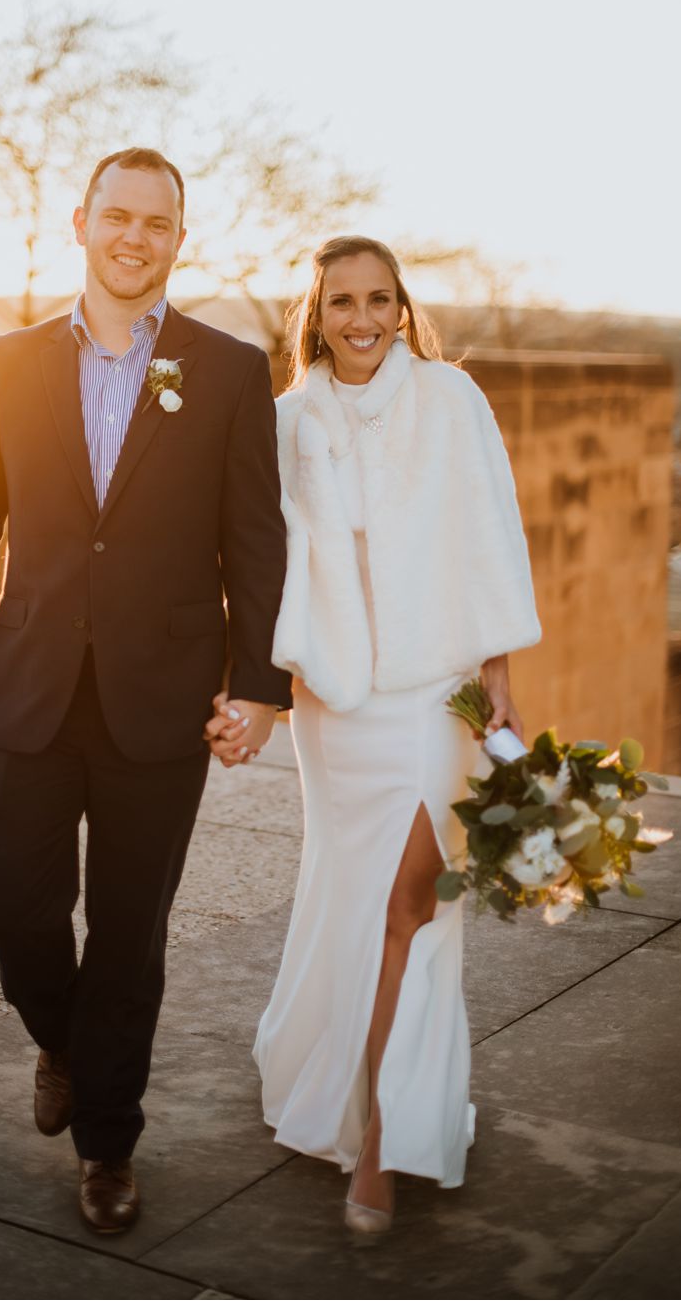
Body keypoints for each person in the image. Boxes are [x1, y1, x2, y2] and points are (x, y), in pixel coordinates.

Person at [0, 147, 290, 1235]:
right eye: (117, 216)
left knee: (129, 932)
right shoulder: (7, 360)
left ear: (179, 239)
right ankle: (65, 1042)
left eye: (156, 223)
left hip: (162, 697)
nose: (135, 238)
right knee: (2, 890)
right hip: (29, 681)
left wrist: (258, 687)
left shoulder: (229, 370)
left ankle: (108, 1145)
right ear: (80, 223)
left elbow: (255, 542)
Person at [218, 235, 539, 1232]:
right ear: (313, 316)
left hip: (434, 689)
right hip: (334, 704)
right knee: (350, 895)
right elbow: (253, 563)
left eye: (379, 299)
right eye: (341, 302)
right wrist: (255, 690)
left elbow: (491, 535)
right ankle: (332, 1074)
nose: (361, 319)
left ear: (402, 310)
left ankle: (382, 1140)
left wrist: (497, 676)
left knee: (414, 899)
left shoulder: (451, 399)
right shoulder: (284, 420)